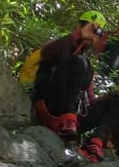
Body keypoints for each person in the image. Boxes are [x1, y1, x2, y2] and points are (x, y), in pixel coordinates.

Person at [78, 8, 119, 163]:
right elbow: (93, 54)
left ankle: (100, 141)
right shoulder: (106, 37)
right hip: (93, 79)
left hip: (108, 86)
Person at [30, 11, 104, 144]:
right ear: (78, 26)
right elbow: (46, 52)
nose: (91, 34)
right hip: (49, 103)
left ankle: (94, 143)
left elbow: (90, 97)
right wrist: (79, 34)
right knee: (79, 61)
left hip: (69, 113)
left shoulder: (84, 64)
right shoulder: (62, 45)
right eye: (87, 27)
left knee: (115, 101)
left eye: (96, 33)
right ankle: (67, 119)